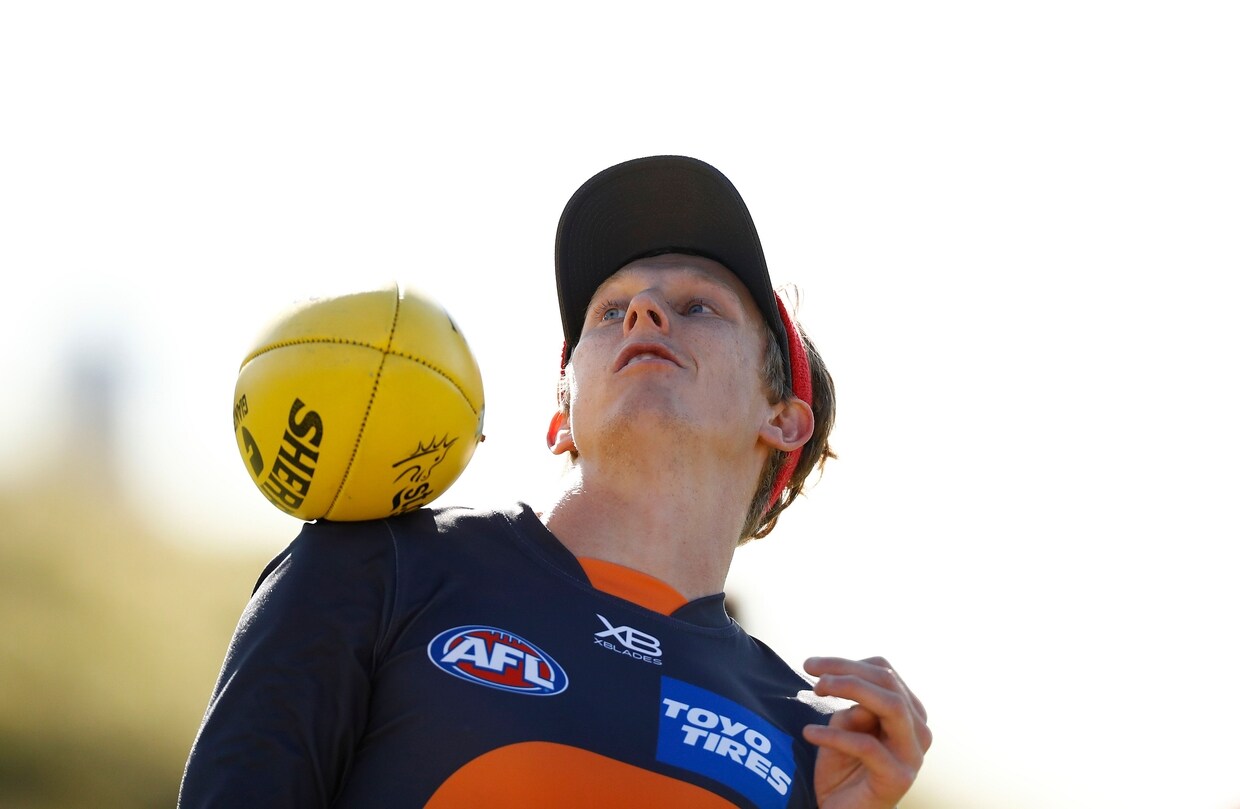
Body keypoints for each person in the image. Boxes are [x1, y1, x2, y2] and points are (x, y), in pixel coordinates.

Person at [178, 155, 931, 808]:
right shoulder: (378, 563)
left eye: (697, 306)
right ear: (561, 417)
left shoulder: (808, 741)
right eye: (610, 311)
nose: (643, 312)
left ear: (784, 420)